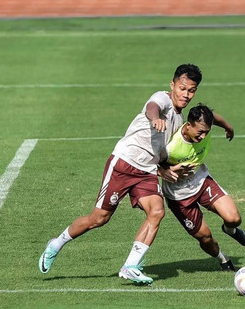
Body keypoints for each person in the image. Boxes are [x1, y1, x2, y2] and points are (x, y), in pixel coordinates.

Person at [39, 64, 203, 285]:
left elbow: (161, 148)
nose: (186, 94)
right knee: (99, 219)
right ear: (172, 85)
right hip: (124, 164)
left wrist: (165, 168)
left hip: (146, 171)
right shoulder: (161, 100)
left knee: (156, 212)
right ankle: (56, 243)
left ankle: (130, 266)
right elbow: (152, 107)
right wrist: (154, 118)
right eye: (182, 88)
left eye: (191, 90)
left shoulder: (179, 118)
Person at [161, 103, 245, 272]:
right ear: (188, 126)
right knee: (205, 237)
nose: (203, 136)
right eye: (200, 132)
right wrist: (171, 170)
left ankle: (230, 230)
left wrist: (228, 126)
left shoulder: (204, 127)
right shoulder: (171, 148)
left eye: (207, 132)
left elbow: (213, 116)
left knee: (234, 218)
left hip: (201, 181)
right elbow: (150, 166)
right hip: (179, 195)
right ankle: (223, 259)